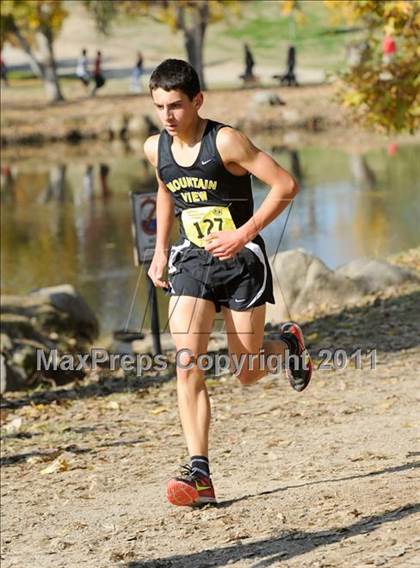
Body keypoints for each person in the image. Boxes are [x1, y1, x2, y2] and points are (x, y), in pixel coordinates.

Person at [144, 59, 312, 507]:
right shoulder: (153, 146)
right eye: (159, 106)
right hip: (194, 262)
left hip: (241, 262)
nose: (167, 116)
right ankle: (199, 472)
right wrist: (160, 250)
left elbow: (286, 185)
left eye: (176, 106)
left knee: (248, 371)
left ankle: (288, 346)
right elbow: (165, 189)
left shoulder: (226, 141)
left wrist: (243, 233)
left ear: (197, 100)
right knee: (187, 362)